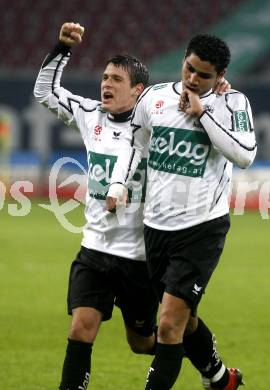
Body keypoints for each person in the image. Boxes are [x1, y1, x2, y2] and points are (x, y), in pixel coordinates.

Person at [107, 33, 257, 390]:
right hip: (156, 229)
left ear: (220, 76)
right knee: (185, 320)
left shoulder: (232, 103)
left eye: (203, 75)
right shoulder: (154, 98)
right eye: (189, 68)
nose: (192, 79)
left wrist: (203, 114)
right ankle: (220, 379)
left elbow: (245, 154)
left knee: (170, 324)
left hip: (202, 229)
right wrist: (119, 184)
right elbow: (135, 145)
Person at [34, 22, 159, 390]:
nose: (106, 84)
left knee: (142, 343)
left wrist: (218, 94)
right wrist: (61, 48)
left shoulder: (156, 127)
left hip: (138, 257)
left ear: (137, 90)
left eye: (117, 79)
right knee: (80, 328)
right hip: (95, 249)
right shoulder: (90, 114)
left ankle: (187, 349)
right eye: (105, 77)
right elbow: (45, 92)